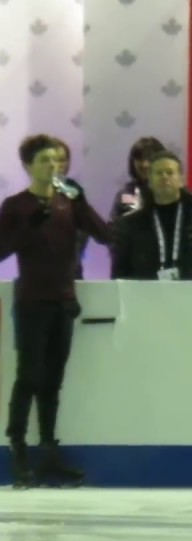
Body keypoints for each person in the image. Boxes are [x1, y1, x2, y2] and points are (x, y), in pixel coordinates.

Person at [0, 134, 114, 487]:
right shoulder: (16, 206)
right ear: (28, 166)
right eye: (45, 160)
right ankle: (18, 450)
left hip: (63, 302)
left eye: (58, 160)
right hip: (32, 301)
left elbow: (103, 233)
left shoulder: (68, 201)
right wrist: (29, 226)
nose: (53, 166)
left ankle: (49, 451)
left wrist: (82, 200)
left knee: (52, 381)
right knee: (29, 376)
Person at [112, 150, 192, 280]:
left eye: (170, 172)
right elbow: (120, 271)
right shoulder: (131, 224)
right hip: (148, 297)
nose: (164, 177)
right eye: (159, 173)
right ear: (149, 182)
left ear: (181, 180)